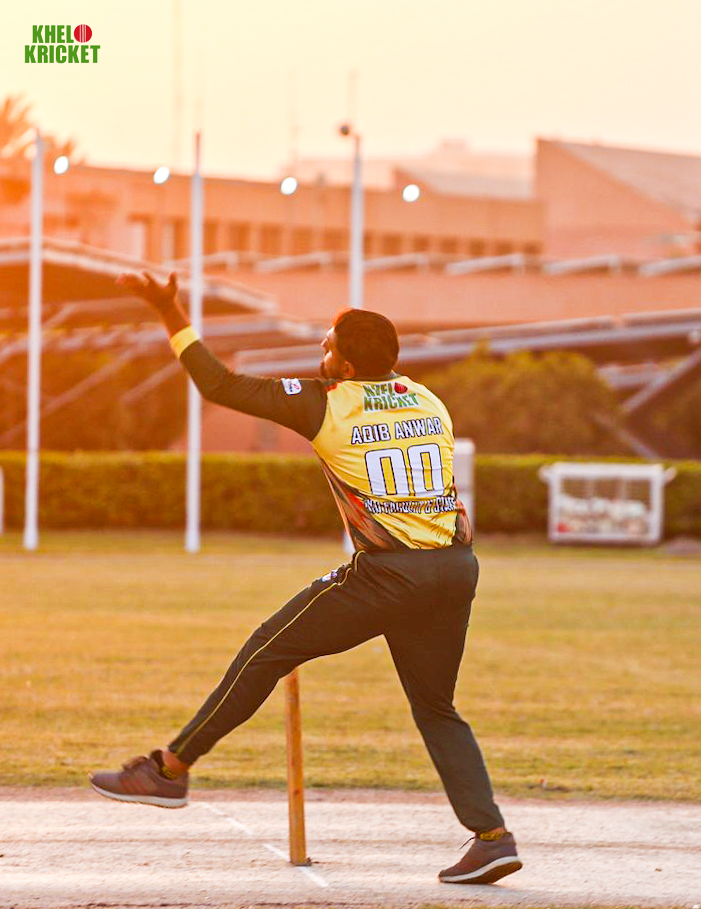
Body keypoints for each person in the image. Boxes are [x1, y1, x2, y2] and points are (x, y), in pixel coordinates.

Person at [90, 272, 522, 886]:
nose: (321, 349)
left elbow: (217, 383)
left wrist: (169, 310)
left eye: (328, 344)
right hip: (456, 569)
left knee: (265, 649)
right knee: (436, 708)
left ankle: (168, 770)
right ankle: (492, 838)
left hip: (389, 575)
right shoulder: (429, 400)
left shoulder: (326, 401)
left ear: (345, 365)